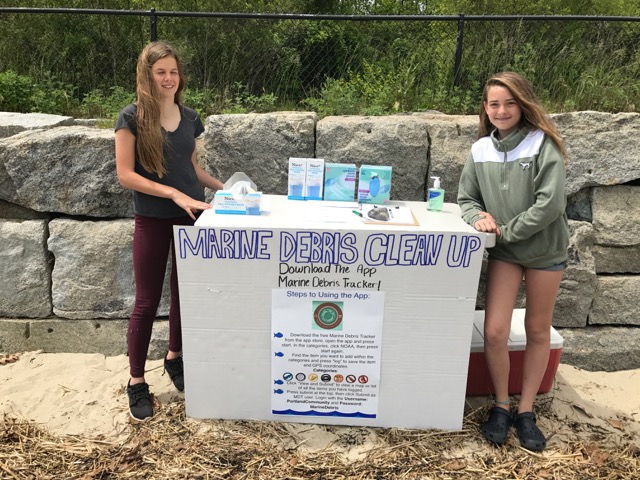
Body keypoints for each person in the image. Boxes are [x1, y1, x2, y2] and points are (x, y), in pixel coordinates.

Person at [457, 72, 569, 451]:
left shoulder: (543, 145)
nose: (501, 110)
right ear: (485, 109)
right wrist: (478, 219)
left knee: (538, 330)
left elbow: (550, 205)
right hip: (505, 252)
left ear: (523, 104)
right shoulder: (479, 151)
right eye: (494, 104)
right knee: (494, 331)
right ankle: (501, 405)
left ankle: (525, 411)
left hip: (544, 252)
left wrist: (505, 229)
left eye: (509, 102)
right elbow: (466, 199)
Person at [115, 41, 224, 421]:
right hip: (154, 219)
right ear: (147, 75)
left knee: (183, 293)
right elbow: (126, 175)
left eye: (173, 71)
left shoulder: (191, 118)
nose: (168, 78)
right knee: (146, 302)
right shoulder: (130, 118)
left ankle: (174, 357)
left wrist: (226, 188)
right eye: (160, 71)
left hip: (192, 216)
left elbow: (190, 169)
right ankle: (136, 381)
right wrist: (173, 194)